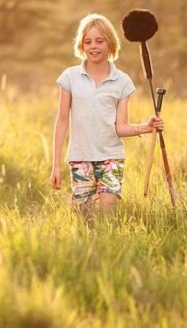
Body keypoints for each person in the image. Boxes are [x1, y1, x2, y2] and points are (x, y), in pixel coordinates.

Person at [49, 13, 164, 216]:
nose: (93, 46)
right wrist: (56, 165)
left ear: (110, 44)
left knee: (107, 215)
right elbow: (62, 121)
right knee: (86, 219)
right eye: (88, 41)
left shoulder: (122, 81)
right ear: (81, 45)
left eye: (99, 41)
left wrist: (146, 127)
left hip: (111, 158)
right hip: (80, 158)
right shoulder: (70, 77)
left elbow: (120, 127)